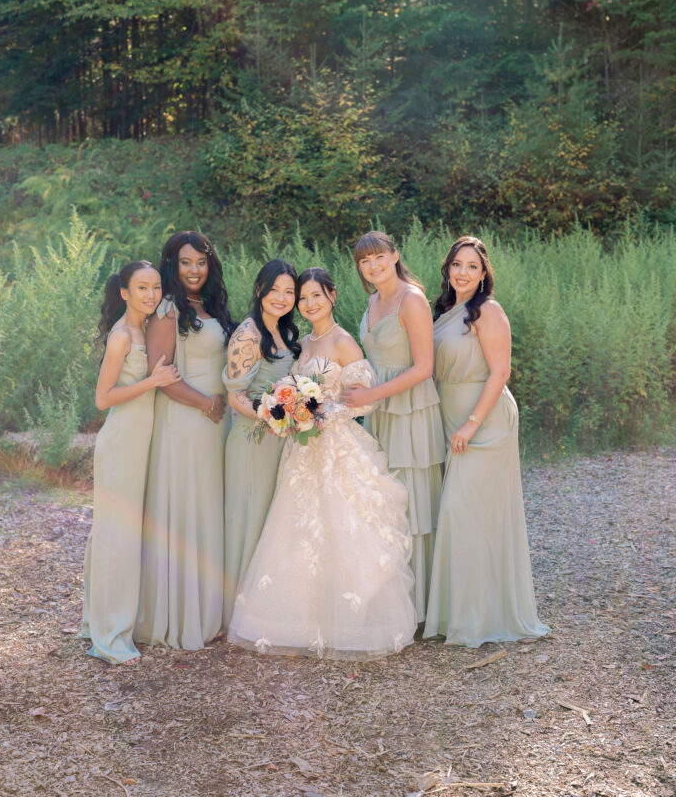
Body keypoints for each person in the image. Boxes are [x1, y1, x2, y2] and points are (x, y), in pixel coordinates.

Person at [228, 267, 415, 660]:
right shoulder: (304, 343)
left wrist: (321, 415)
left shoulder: (343, 342)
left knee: (342, 528)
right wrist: (292, 412)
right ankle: (295, 623)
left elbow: (365, 399)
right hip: (300, 448)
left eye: (316, 296)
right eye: (303, 298)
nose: (309, 304)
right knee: (297, 530)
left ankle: (350, 624)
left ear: (332, 295)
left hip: (334, 446)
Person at [424, 236, 550, 647]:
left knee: (464, 511)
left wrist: (471, 424)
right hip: (449, 416)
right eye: (457, 264)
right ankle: (455, 613)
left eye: (472, 266)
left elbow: (500, 372)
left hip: (485, 420)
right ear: (448, 268)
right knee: (460, 515)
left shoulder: (488, 311)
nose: (463, 272)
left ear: (483, 274)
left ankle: (477, 618)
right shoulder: (442, 310)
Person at [136, 232, 234, 650]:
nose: (194, 270)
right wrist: (206, 405)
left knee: (209, 509)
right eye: (185, 262)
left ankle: (210, 609)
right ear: (171, 265)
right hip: (187, 420)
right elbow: (162, 375)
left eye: (201, 262)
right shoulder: (167, 310)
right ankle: (180, 615)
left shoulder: (211, 307)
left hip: (216, 423)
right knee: (187, 508)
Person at [81, 261, 181, 664]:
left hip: (142, 442)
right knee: (115, 538)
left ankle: (105, 621)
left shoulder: (147, 328)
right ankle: (109, 637)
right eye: (142, 288)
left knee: (127, 535)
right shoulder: (122, 336)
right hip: (121, 443)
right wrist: (153, 382)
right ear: (124, 292)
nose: (151, 294)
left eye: (155, 287)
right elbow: (102, 399)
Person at [343, 231, 445, 627]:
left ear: (395, 256)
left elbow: (424, 368)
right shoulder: (372, 300)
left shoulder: (412, 299)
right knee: (384, 498)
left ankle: (421, 606)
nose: (373, 266)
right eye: (365, 262)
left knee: (412, 499)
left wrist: (373, 394)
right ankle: (393, 602)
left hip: (409, 408)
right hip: (380, 412)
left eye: (379, 257)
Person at [221, 259, 300, 626]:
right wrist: (275, 417)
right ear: (259, 291)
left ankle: (264, 611)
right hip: (252, 440)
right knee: (249, 517)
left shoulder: (285, 332)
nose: (282, 298)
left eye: (289, 292)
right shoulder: (248, 334)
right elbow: (235, 397)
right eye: (275, 290)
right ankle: (236, 613)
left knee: (271, 519)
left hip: (278, 439)